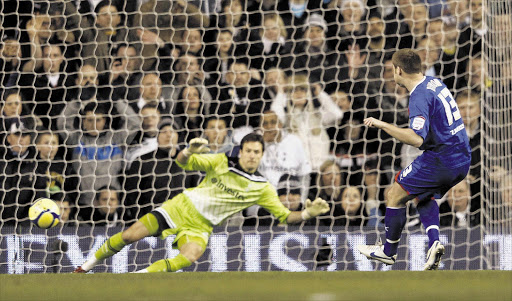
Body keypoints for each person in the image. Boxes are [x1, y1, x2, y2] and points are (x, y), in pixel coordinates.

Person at [73, 133, 330, 273]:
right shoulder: (220, 162)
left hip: (202, 226)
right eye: (248, 150)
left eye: (257, 152)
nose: (252, 155)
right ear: (240, 151)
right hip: (180, 207)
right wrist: (188, 150)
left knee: (190, 256)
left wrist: (307, 212)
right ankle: (87, 266)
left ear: (262, 156)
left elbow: (285, 217)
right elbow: (181, 163)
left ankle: (139, 278)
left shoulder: (262, 187)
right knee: (129, 236)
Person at [357, 49, 471, 270]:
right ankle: (435, 242)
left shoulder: (419, 95)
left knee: (395, 194)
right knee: (422, 194)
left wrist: (382, 124)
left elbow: (416, 139)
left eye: (392, 69)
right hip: (462, 157)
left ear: (398, 70)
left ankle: (387, 252)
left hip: (442, 159)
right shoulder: (434, 82)